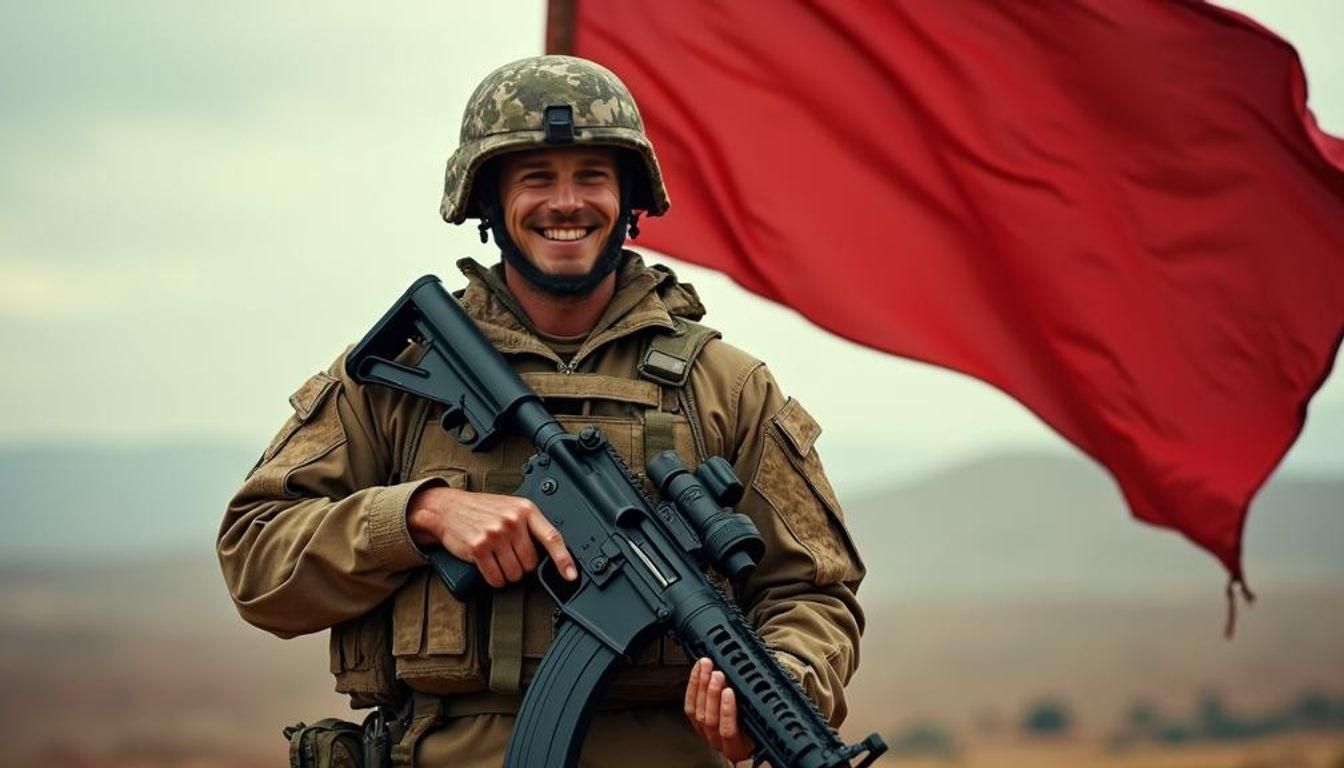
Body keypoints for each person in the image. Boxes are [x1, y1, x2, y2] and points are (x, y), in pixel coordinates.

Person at [218, 55, 866, 768]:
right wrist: (419, 515)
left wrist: (780, 687)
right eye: (536, 179)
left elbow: (813, 590)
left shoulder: (725, 385)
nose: (566, 203)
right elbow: (256, 558)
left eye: (592, 175)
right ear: (489, 201)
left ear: (629, 198)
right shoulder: (400, 379)